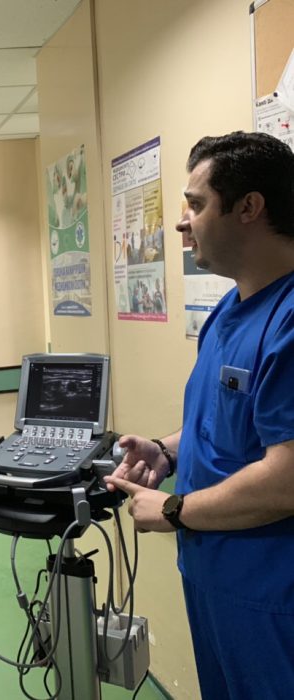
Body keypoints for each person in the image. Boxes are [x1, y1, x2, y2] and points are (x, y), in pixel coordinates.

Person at [105, 131, 294, 700]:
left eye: (196, 204)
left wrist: (174, 509)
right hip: (214, 577)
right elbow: (217, 426)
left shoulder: (288, 321)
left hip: (272, 595)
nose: (181, 223)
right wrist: (165, 451)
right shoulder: (229, 310)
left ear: (249, 207)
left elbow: (287, 477)